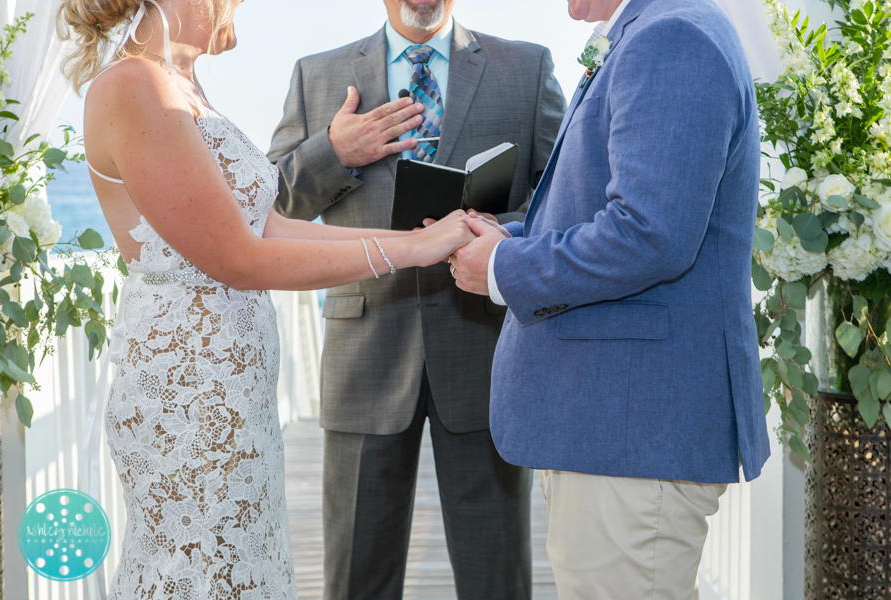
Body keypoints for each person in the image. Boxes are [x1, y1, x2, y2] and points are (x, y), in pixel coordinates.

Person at [56, 0, 475, 597]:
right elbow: (240, 259)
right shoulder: (134, 85)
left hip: (230, 392)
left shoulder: (180, 85)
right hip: (190, 395)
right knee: (195, 571)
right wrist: (409, 253)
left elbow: (268, 227)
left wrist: (418, 239)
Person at [449, 0, 771, 597]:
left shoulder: (672, 37)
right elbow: (612, 215)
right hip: (617, 432)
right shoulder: (655, 30)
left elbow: (650, 235)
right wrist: (508, 239)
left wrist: (504, 267)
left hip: (632, 430)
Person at [266, 1, 566, 598]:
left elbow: (564, 197)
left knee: (497, 579)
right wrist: (334, 150)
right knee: (356, 580)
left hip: (484, 351)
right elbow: (271, 205)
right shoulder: (316, 75)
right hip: (365, 351)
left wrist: (494, 233)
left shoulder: (526, 69)